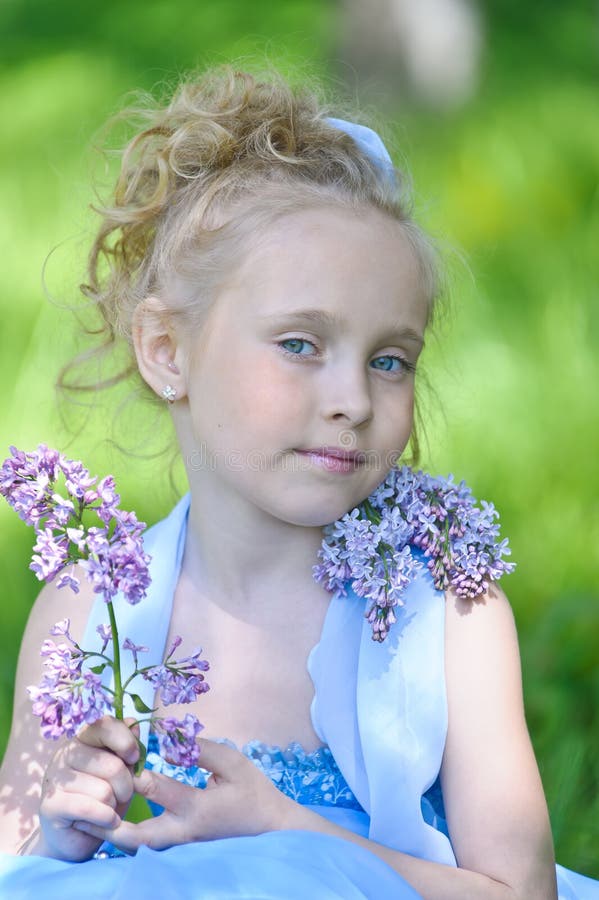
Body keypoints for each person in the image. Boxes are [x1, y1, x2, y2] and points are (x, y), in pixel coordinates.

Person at [0, 66, 596, 900]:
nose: (352, 400)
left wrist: (286, 831)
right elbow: (12, 858)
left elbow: (517, 890)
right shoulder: (89, 606)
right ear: (167, 350)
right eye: (300, 346)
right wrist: (63, 829)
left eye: (389, 361)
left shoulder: (445, 607)